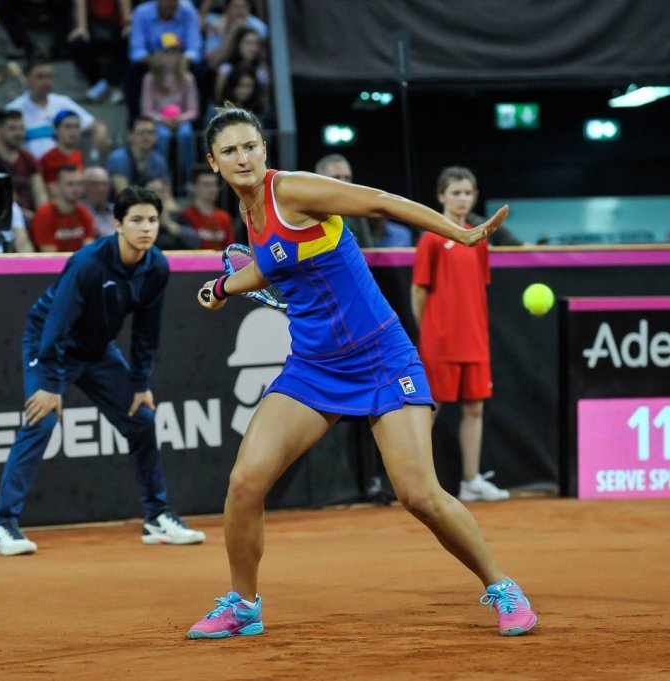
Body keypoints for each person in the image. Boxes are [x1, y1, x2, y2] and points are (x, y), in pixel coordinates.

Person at [186, 106, 537, 639]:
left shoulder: (294, 191)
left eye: (250, 146)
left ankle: (501, 584)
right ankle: (244, 603)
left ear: (264, 150)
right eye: (230, 151)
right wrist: (223, 288)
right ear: (212, 162)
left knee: (419, 494)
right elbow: (268, 265)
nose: (243, 158)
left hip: (381, 357)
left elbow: (380, 201)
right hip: (312, 367)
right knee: (244, 483)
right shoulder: (250, 214)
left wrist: (458, 234)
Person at [0, 186, 206, 556]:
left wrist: (139, 383)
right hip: (50, 343)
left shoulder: (157, 267)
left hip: (97, 350)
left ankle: (157, 517)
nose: (146, 228)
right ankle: (2, 527)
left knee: (142, 418)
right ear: (118, 224)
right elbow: (56, 326)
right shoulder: (88, 263)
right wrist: (52, 385)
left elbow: (146, 333)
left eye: (152, 220)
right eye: (136, 220)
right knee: (40, 421)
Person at [411, 167, 510, 504]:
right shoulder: (430, 238)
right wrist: (430, 333)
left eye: (468, 193)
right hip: (440, 342)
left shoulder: (479, 239)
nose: (463, 199)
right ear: (441, 196)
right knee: (428, 410)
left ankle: (470, 480)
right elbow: (419, 292)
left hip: (475, 341)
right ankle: (414, 480)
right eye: (456, 193)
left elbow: (477, 289)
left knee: (474, 410)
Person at [5, 60, 110, 159]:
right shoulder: (13, 109)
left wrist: (101, 132)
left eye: (49, 77)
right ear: (27, 80)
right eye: (39, 77)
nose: (45, 82)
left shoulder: (63, 102)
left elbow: (95, 125)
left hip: (64, 169)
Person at [140, 32, 198, 195]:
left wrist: (180, 118)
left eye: (175, 52)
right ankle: (162, 180)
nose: (171, 57)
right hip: (159, 122)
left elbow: (193, 110)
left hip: (181, 121)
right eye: (166, 52)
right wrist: (162, 119)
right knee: (162, 136)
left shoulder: (187, 78)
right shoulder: (150, 79)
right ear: (158, 55)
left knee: (186, 134)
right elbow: (147, 110)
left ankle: (189, 180)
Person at [0, 110, 49, 225]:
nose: (18, 133)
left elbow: (40, 194)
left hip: (32, 218)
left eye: (21, 128)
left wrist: (43, 216)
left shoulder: (28, 158)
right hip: (3, 216)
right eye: (12, 129)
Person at [30, 164, 96, 252]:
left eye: (79, 183)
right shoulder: (44, 215)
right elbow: (50, 256)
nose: (76, 189)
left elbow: (89, 251)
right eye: (70, 184)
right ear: (57, 186)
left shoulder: (84, 214)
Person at [313, 153, 373, 248]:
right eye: (336, 177)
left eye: (347, 178)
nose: (343, 183)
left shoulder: (357, 212)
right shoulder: (308, 212)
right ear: (319, 180)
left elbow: (368, 249)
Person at [105, 115, 170, 196]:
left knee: (157, 186)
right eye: (141, 132)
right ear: (130, 136)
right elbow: (123, 195)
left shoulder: (159, 160)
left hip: (149, 204)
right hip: (119, 205)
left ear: (156, 136)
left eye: (151, 132)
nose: (146, 137)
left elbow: (167, 196)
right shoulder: (118, 158)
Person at [180, 164, 233, 249]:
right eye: (206, 185)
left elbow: (231, 249)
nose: (212, 189)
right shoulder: (186, 215)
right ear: (194, 187)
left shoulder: (224, 217)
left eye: (214, 184)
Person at [40, 110, 86, 198]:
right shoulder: (49, 159)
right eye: (68, 127)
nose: (73, 131)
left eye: (76, 127)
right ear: (56, 129)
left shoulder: (79, 154)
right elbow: (55, 194)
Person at [81, 166, 117, 237]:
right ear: (85, 186)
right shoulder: (80, 211)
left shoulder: (117, 209)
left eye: (104, 184)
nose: (101, 188)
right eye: (94, 184)